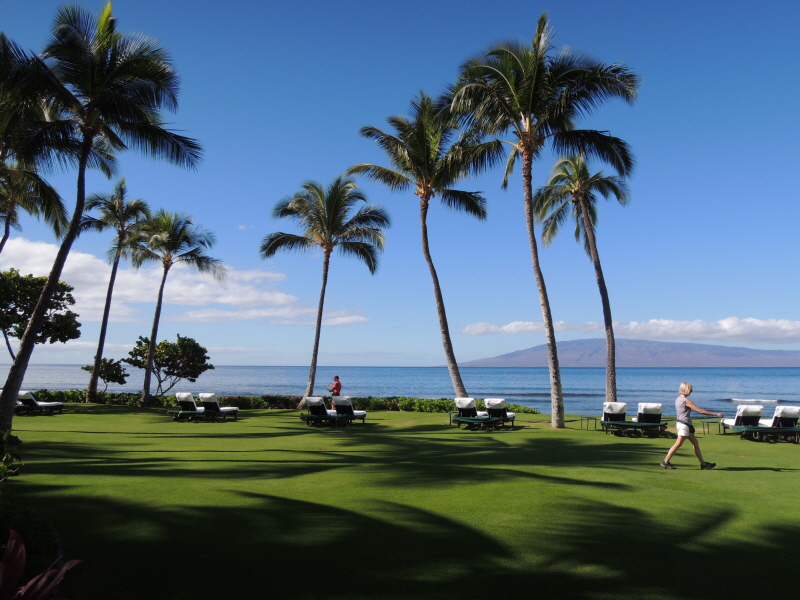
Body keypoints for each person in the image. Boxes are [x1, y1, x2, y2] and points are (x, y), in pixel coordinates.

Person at [661, 382, 723, 470]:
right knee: (678, 444)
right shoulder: (686, 401)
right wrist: (715, 414)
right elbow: (700, 411)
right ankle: (665, 461)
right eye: (690, 389)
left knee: (695, 443)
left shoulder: (678, 399)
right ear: (686, 389)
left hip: (683, 424)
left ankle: (704, 464)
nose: (691, 391)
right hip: (684, 425)